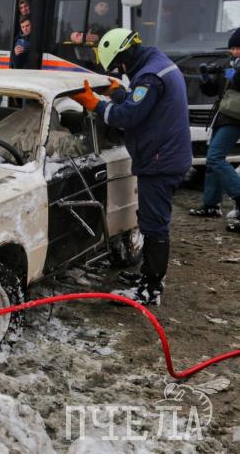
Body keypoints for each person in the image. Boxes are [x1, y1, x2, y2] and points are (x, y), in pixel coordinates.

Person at [70, 28, 192, 306]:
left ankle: (150, 289)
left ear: (125, 56)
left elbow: (127, 117)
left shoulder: (149, 77)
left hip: (160, 161)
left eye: (119, 65)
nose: (121, 70)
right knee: (151, 219)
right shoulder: (157, 64)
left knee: (154, 224)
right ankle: (148, 276)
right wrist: (120, 94)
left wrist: (96, 104)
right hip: (165, 156)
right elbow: (145, 106)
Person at [189, 29, 240, 232]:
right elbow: (214, 91)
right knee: (213, 159)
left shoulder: (233, 68)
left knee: (215, 158)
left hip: (235, 118)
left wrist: (227, 72)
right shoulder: (231, 65)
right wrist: (206, 79)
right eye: (233, 48)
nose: (234, 51)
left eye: (238, 48)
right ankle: (211, 205)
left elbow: (238, 81)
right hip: (223, 115)